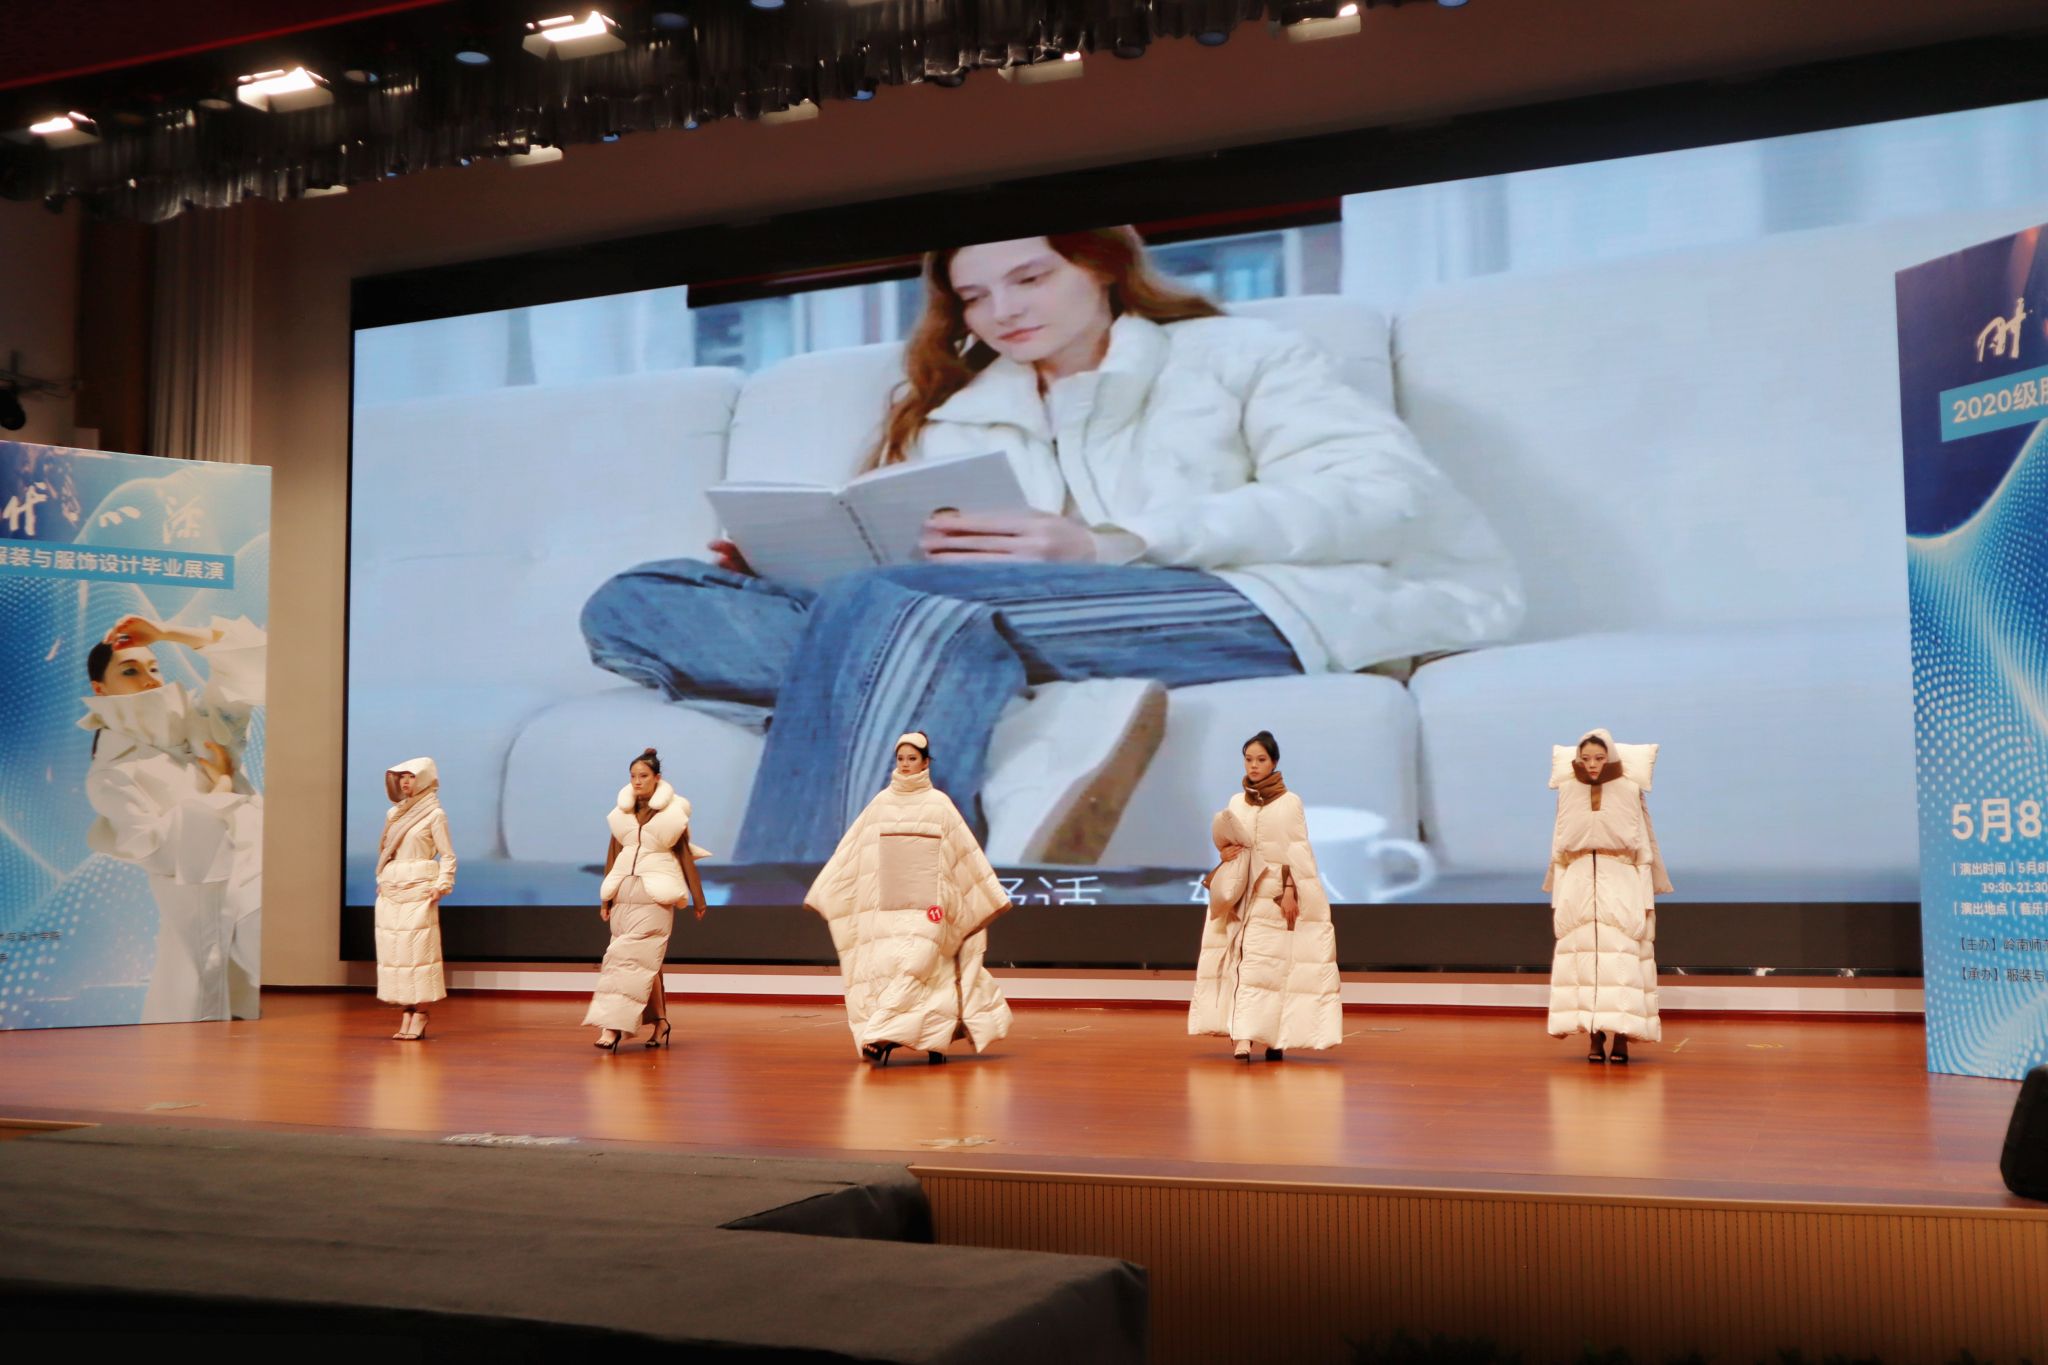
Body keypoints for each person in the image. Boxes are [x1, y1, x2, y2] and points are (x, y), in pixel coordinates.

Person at [580, 227, 1522, 865]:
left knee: (892, 612)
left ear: (1101, 266)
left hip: (1261, 599)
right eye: (975, 295)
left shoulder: (1242, 357)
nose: (1001, 310)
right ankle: (995, 706)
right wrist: (790, 568)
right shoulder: (958, 417)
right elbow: (918, 577)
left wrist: (1110, 543)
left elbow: (1378, 496)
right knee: (637, 598)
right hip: (972, 619)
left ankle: (812, 914)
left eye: (1029, 277)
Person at [78, 612, 265, 1023]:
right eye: (130, 670)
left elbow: (253, 662)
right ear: (99, 688)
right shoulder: (112, 774)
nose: (149, 680)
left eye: (154, 667)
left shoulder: (201, 723)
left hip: (267, 879)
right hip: (207, 914)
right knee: (204, 1022)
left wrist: (167, 633)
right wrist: (221, 789)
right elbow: (159, 849)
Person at [804, 732, 1013, 1067]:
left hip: (931, 908)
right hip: (888, 907)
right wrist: (829, 888)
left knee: (916, 965)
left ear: (926, 762)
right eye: (901, 758)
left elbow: (963, 854)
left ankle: (880, 1036)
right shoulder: (881, 803)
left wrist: (980, 895)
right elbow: (856, 852)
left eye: (912, 758)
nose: (905, 764)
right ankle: (929, 1039)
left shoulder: (939, 804)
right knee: (896, 969)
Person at [1189, 730, 1341, 1061]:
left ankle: (1274, 1039)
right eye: (1249, 759)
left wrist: (1290, 891)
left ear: (1274, 762)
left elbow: (1297, 852)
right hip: (1242, 896)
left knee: (1272, 972)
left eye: (1261, 759)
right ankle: (1243, 1038)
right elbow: (1231, 845)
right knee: (1245, 966)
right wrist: (1225, 854)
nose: (1254, 765)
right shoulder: (1236, 802)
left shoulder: (1290, 802)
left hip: (1275, 896)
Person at [1546, 729, 1671, 1064]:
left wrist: (1645, 900)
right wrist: (1559, 898)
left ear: (1610, 757)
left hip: (1620, 882)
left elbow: (1643, 849)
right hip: (1579, 884)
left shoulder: (1629, 790)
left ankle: (1622, 1037)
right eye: (1586, 758)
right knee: (1585, 965)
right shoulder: (1568, 791)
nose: (1592, 765)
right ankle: (1594, 1034)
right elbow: (1559, 849)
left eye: (1599, 758)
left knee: (1622, 962)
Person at [585, 747, 707, 1052]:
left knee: (625, 959)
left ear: (657, 778)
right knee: (642, 962)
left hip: (655, 896)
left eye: (643, 776)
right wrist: (605, 899)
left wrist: (699, 898)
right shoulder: (621, 815)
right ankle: (660, 1021)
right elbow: (613, 855)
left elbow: (684, 855)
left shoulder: (672, 815)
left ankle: (612, 1026)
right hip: (624, 895)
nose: (637, 781)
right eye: (633, 776)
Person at [373, 757, 456, 1040]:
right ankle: (406, 1011)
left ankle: (421, 1011)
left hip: (419, 888)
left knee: (418, 952)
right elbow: (386, 852)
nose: (405, 782)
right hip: (393, 888)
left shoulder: (435, 814)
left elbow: (447, 854)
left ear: (423, 778)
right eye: (401, 777)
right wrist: (382, 880)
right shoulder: (394, 814)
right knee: (395, 952)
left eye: (411, 776)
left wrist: (442, 884)